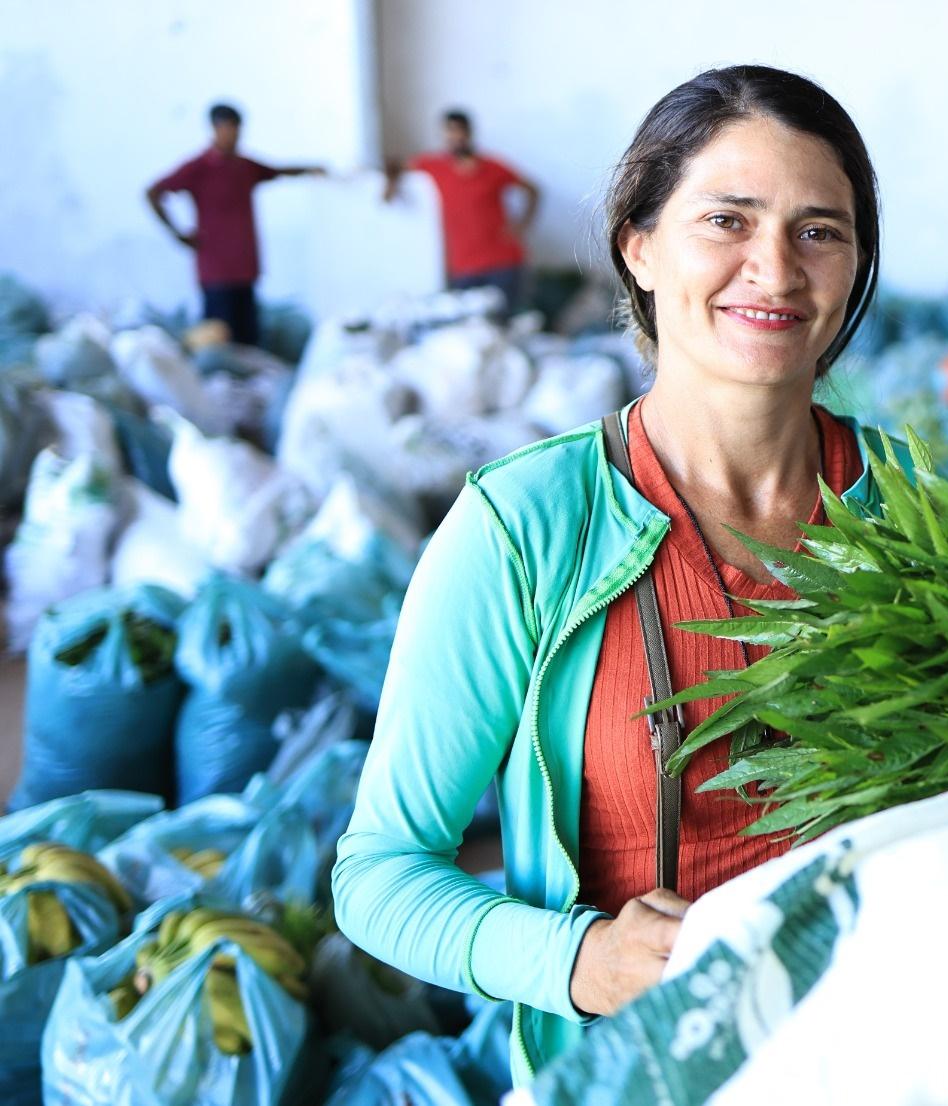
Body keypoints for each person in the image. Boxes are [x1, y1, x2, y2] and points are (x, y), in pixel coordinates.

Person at [334, 66, 896, 1086]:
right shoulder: (527, 528)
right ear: (637, 245)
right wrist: (582, 960)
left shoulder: (921, 510)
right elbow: (380, 875)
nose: (773, 268)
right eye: (727, 220)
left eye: (820, 231)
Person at [146, 103, 323, 347]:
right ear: (215, 129)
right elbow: (154, 192)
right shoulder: (199, 168)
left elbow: (277, 170)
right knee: (218, 340)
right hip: (216, 271)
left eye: (237, 129)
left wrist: (313, 169)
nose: (233, 134)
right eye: (228, 128)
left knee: (248, 340)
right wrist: (178, 234)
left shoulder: (245, 167)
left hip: (245, 268)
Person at [386, 109, 541, 314]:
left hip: (503, 263)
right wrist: (390, 185)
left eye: (460, 132)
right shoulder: (434, 166)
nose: (456, 137)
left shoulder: (493, 167)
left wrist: (522, 225)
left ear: (469, 133)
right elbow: (396, 167)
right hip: (463, 266)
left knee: (506, 325)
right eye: (450, 132)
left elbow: (532, 190)